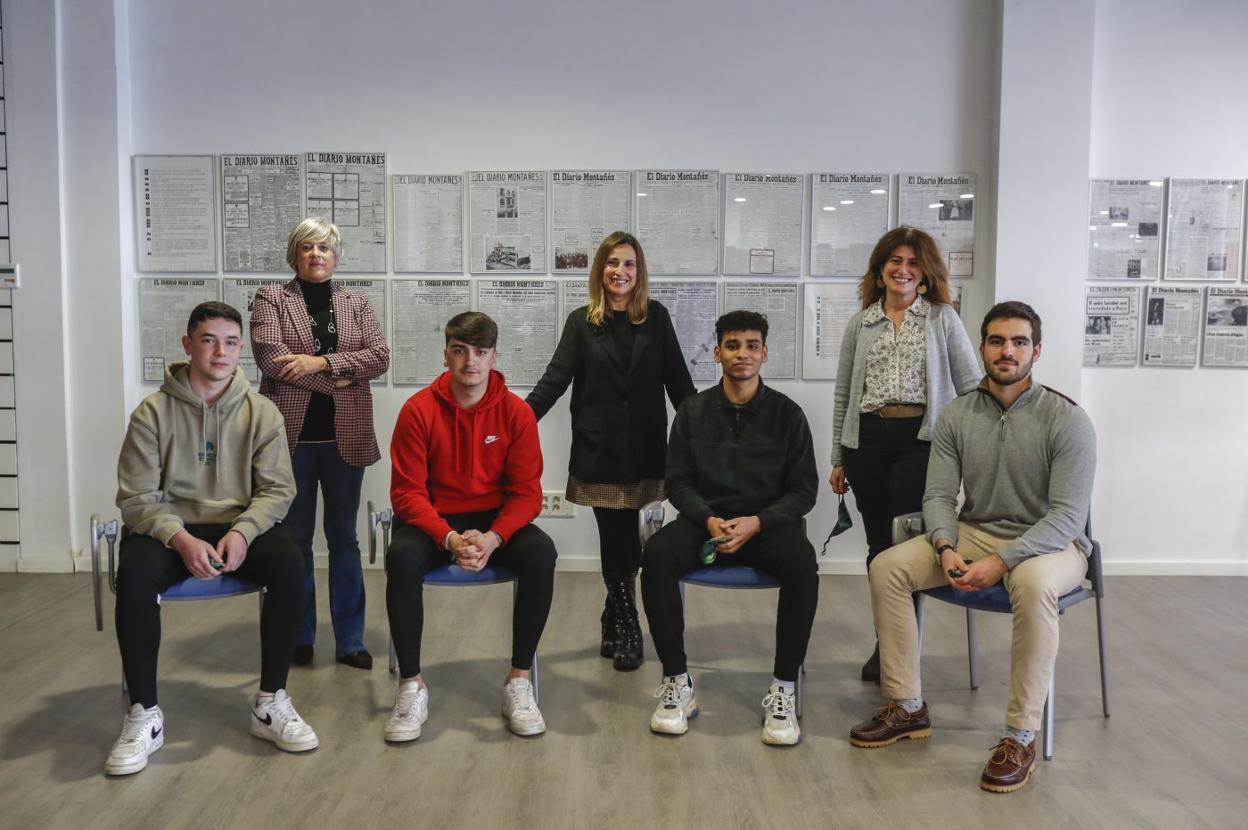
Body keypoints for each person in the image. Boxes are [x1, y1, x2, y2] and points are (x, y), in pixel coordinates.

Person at [849, 301, 1096, 794]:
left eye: (1019, 342)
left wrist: (1001, 561)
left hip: (1051, 542)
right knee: (888, 566)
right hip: (976, 529)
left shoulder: (1068, 419)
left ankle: (1020, 735)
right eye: (998, 341)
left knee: (1031, 583)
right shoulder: (958, 414)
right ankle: (908, 707)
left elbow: (1067, 516)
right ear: (981, 347)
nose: (1008, 351)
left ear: (1036, 351)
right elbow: (939, 495)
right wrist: (944, 546)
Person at [107, 302, 317, 776]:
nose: (220, 352)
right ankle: (144, 712)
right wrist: (179, 539)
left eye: (230, 342)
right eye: (208, 340)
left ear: (241, 349)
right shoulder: (152, 413)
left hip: (237, 525)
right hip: (169, 528)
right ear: (188, 345)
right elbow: (136, 497)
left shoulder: (262, 413)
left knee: (290, 561)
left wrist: (243, 532)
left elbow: (279, 491)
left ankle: (270, 702)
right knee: (136, 574)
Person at [640, 310, 818, 746]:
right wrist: (708, 518)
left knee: (802, 565)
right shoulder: (693, 411)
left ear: (764, 353)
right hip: (707, 522)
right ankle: (677, 682)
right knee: (657, 556)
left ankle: (783, 689)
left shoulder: (788, 414)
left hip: (766, 526)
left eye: (752, 345)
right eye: (733, 345)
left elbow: (804, 490)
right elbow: (677, 482)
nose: (743, 354)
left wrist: (759, 521)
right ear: (717, 352)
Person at [385, 312, 556, 741]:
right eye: (459, 351)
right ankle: (411, 685)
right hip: (436, 521)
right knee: (402, 557)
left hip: (493, 520)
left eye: (480, 352)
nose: (470, 362)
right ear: (446, 354)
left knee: (541, 553)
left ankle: (518, 680)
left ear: (495, 356)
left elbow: (527, 493)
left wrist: (495, 537)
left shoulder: (516, 414)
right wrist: (448, 537)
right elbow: (406, 493)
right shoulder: (418, 411)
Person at [527, 231, 695, 671]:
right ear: (600, 269)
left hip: (643, 448)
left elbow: (679, 384)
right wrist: (516, 422)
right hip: (598, 449)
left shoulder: (655, 318)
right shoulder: (582, 322)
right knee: (615, 536)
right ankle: (627, 624)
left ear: (639, 274)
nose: (620, 272)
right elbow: (555, 380)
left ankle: (611, 614)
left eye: (629, 265)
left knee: (626, 538)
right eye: (612, 263)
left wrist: (704, 432)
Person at [828, 226, 980, 683]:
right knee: (878, 549)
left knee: (908, 549)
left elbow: (971, 384)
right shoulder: (861, 323)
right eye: (895, 261)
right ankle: (888, 645)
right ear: (880, 270)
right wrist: (838, 455)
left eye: (913, 263)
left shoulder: (941, 318)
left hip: (922, 442)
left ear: (926, 273)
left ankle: (902, 653)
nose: (903, 270)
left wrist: (972, 451)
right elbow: (844, 395)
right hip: (867, 442)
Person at [251, 217, 390, 670]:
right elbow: (272, 361)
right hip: (290, 440)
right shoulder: (271, 298)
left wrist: (316, 362)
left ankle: (350, 640)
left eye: (325, 248)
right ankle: (299, 635)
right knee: (295, 541)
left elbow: (380, 356)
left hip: (344, 438)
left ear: (337, 256)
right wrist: (343, 377)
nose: (316, 255)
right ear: (294, 254)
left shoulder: (355, 302)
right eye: (308, 247)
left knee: (344, 539)